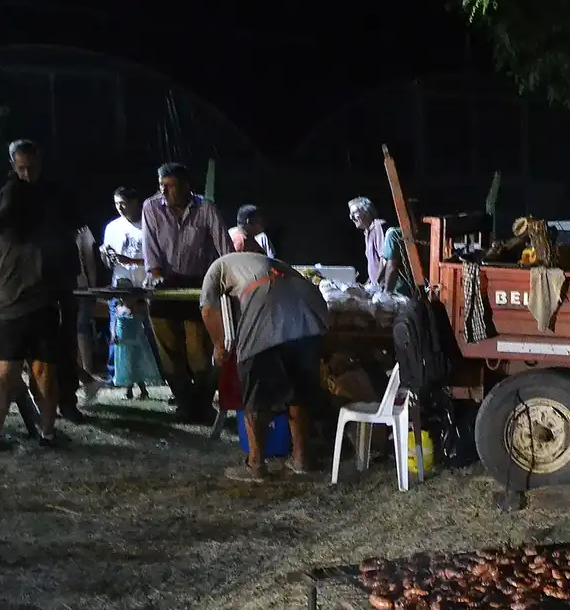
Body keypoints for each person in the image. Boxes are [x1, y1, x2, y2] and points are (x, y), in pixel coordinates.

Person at [199, 251, 327, 482]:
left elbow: (208, 309)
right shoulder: (263, 260)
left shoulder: (215, 269)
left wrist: (218, 346)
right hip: (307, 300)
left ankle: (255, 465)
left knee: (256, 386)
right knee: (299, 386)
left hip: (265, 297)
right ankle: (301, 460)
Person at [0, 179, 66, 451]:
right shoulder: (48, 227)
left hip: (7, 311)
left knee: (5, 374)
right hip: (44, 308)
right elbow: (63, 268)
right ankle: (48, 434)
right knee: (44, 372)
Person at [3, 138, 102, 421]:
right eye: (21, 168)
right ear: (13, 165)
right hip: (23, 285)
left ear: (40, 164)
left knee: (65, 343)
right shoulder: (10, 195)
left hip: (59, 279)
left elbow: (75, 230)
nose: (27, 175)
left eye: (31, 168)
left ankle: (67, 401)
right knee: (35, 349)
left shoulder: (57, 193)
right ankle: (42, 402)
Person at [141, 161, 229, 421]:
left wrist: (228, 279)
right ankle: (184, 403)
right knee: (169, 351)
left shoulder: (206, 209)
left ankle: (202, 405)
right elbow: (150, 247)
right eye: (161, 187)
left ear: (187, 187)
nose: (165, 192)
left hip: (199, 285)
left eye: (171, 187)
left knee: (200, 352)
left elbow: (224, 247)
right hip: (163, 284)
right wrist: (155, 275)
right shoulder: (151, 207)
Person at [102, 186, 160, 399]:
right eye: (117, 203)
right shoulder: (112, 227)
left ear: (136, 202)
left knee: (144, 337)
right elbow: (108, 259)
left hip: (144, 288)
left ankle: (151, 378)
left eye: (124, 203)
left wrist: (132, 261)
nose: (120, 208)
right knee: (120, 336)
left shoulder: (149, 224)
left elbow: (157, 259)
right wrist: (106, 256)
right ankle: (119, 377)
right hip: (121, 288)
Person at [348, 197, 412, 296]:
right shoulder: (367, 232)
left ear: (367, 212)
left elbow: (385, 260)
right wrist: (367, 284)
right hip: (378, 287)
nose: (351, 217)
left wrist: (375, 284)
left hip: (388, 289)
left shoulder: (378, 227)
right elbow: (374, 265)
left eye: (354, 213)